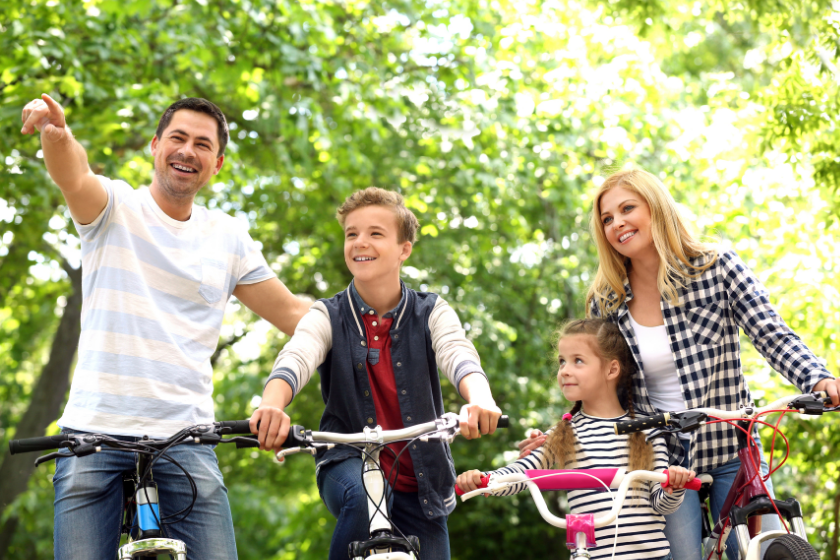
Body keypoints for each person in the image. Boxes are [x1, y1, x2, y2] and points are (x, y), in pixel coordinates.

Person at [20, 94, 311, 559]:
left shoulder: (227, 237)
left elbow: (296, 317)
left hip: (187, 439)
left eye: (201, 144)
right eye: (177, 138)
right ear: (155, 146)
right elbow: (73, 174)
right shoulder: (115, 208)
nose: (187, 151)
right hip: (93, 437)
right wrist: (57, 135)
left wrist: (373, 312)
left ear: (216, 164)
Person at [520, 167, 837, 559]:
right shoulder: (607, 299)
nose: (617, 223)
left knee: (766, 550)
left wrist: (817, 378)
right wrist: (561, 437)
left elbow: (772, 334)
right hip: (660, 462)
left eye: (627, 209)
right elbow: (599, 383)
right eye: (606, 218)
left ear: (655, 207)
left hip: (730, 446)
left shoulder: (718, 267)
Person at [250, 187, 503, 560]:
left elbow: (458, 353)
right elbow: (298, 354)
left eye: (375, 233)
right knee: (367, 495)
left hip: (424, 486)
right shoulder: (328, 315)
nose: (359, 242)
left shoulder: (430, 311)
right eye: (351, 233)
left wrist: (480, 399)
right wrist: (271, 405)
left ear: (404, 249)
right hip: (348, 464)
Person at [458, 318, 694, 560]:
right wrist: (485, 480)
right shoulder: (563, 434)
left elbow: (662, 504)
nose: (565, 370)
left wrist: (673, 487)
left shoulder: (646, 430)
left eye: (577, 361)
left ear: (611, 369)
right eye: (562, 361)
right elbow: (520, 474)